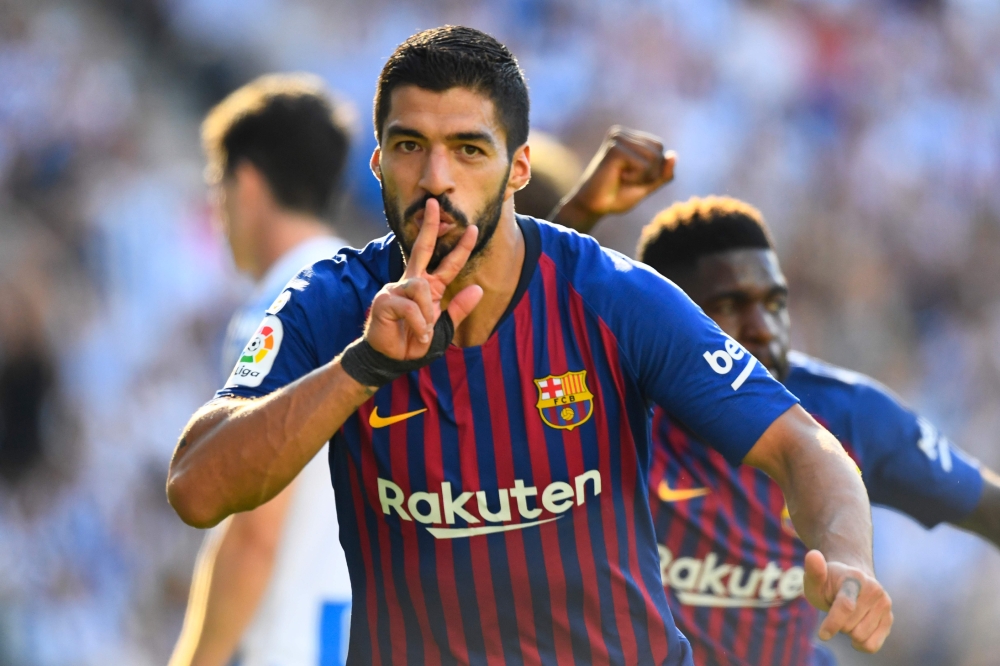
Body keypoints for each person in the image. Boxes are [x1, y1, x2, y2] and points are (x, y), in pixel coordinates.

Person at [166, 27, 893, 664]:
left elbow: (805, 445)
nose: (436, 178)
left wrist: (850, 560)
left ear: (517, 168)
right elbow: (196, 488)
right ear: (379, 162)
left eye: (469, 149)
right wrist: (363, 365)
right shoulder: (334, 302)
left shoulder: (614, 297)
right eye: (410, 145)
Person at [557, 186, 1000, 664]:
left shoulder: (847, 415)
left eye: (774, 302)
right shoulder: (605, 409)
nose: (764, 327)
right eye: (729, 304)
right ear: (666, 318)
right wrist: (580, 212)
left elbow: (988, 507)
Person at [169, 74, 353, 666]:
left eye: (216, 185)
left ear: (246, 184)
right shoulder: (370, 297)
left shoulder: (277, 315)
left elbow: (254, 532)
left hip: (285, 643)